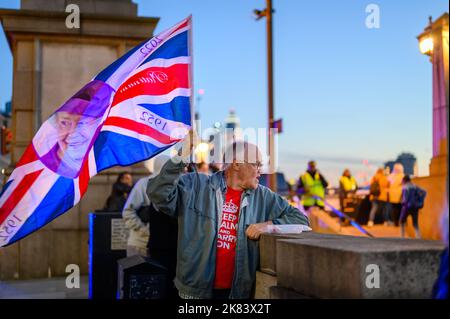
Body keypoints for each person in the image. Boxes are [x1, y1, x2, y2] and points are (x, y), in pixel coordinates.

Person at [147, 133, 309, 299]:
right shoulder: (195, 185)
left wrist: (268, 225)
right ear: (237, 163)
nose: (261, 171)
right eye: (257, 164)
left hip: (238, 293)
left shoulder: (264, 196)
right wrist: (180, 157)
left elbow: (301, 219)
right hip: (195, 291)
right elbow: (157, 194)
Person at [122, 155, 169, 257]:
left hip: (159, 246)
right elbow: (128, 212)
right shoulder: (143, 184)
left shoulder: (170, 185)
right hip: (140, 245)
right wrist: (145, 231)